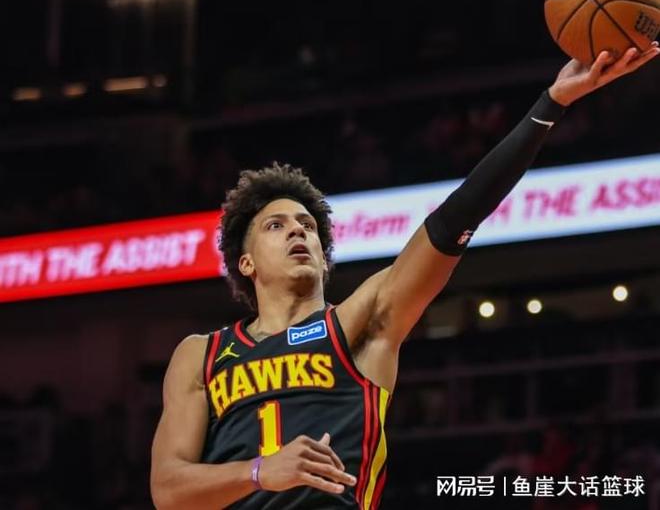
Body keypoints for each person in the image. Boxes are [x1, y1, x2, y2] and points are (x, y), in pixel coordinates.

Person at [150, 45, 659, 510]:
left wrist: (550, 104)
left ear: (324, 258)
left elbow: (456, 218)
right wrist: (262, 471)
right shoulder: (202, 354)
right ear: (246, 263)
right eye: (276, 226)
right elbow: (168, 489)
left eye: (307, 225)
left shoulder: (360, 323)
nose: (298, 231)